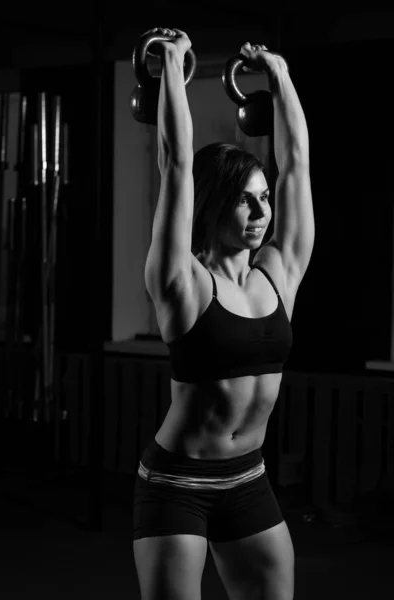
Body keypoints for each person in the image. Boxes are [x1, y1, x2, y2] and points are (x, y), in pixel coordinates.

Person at [133, 27, 314, 600]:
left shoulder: (278, 274)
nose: (262, 211)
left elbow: (298, 166)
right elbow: (177, 164)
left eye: (265, 197)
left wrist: (280, 77)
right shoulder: (182, 281)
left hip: (250, 480)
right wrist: (174, 69)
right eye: (245, 199)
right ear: (214, 203)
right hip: (176, 484)